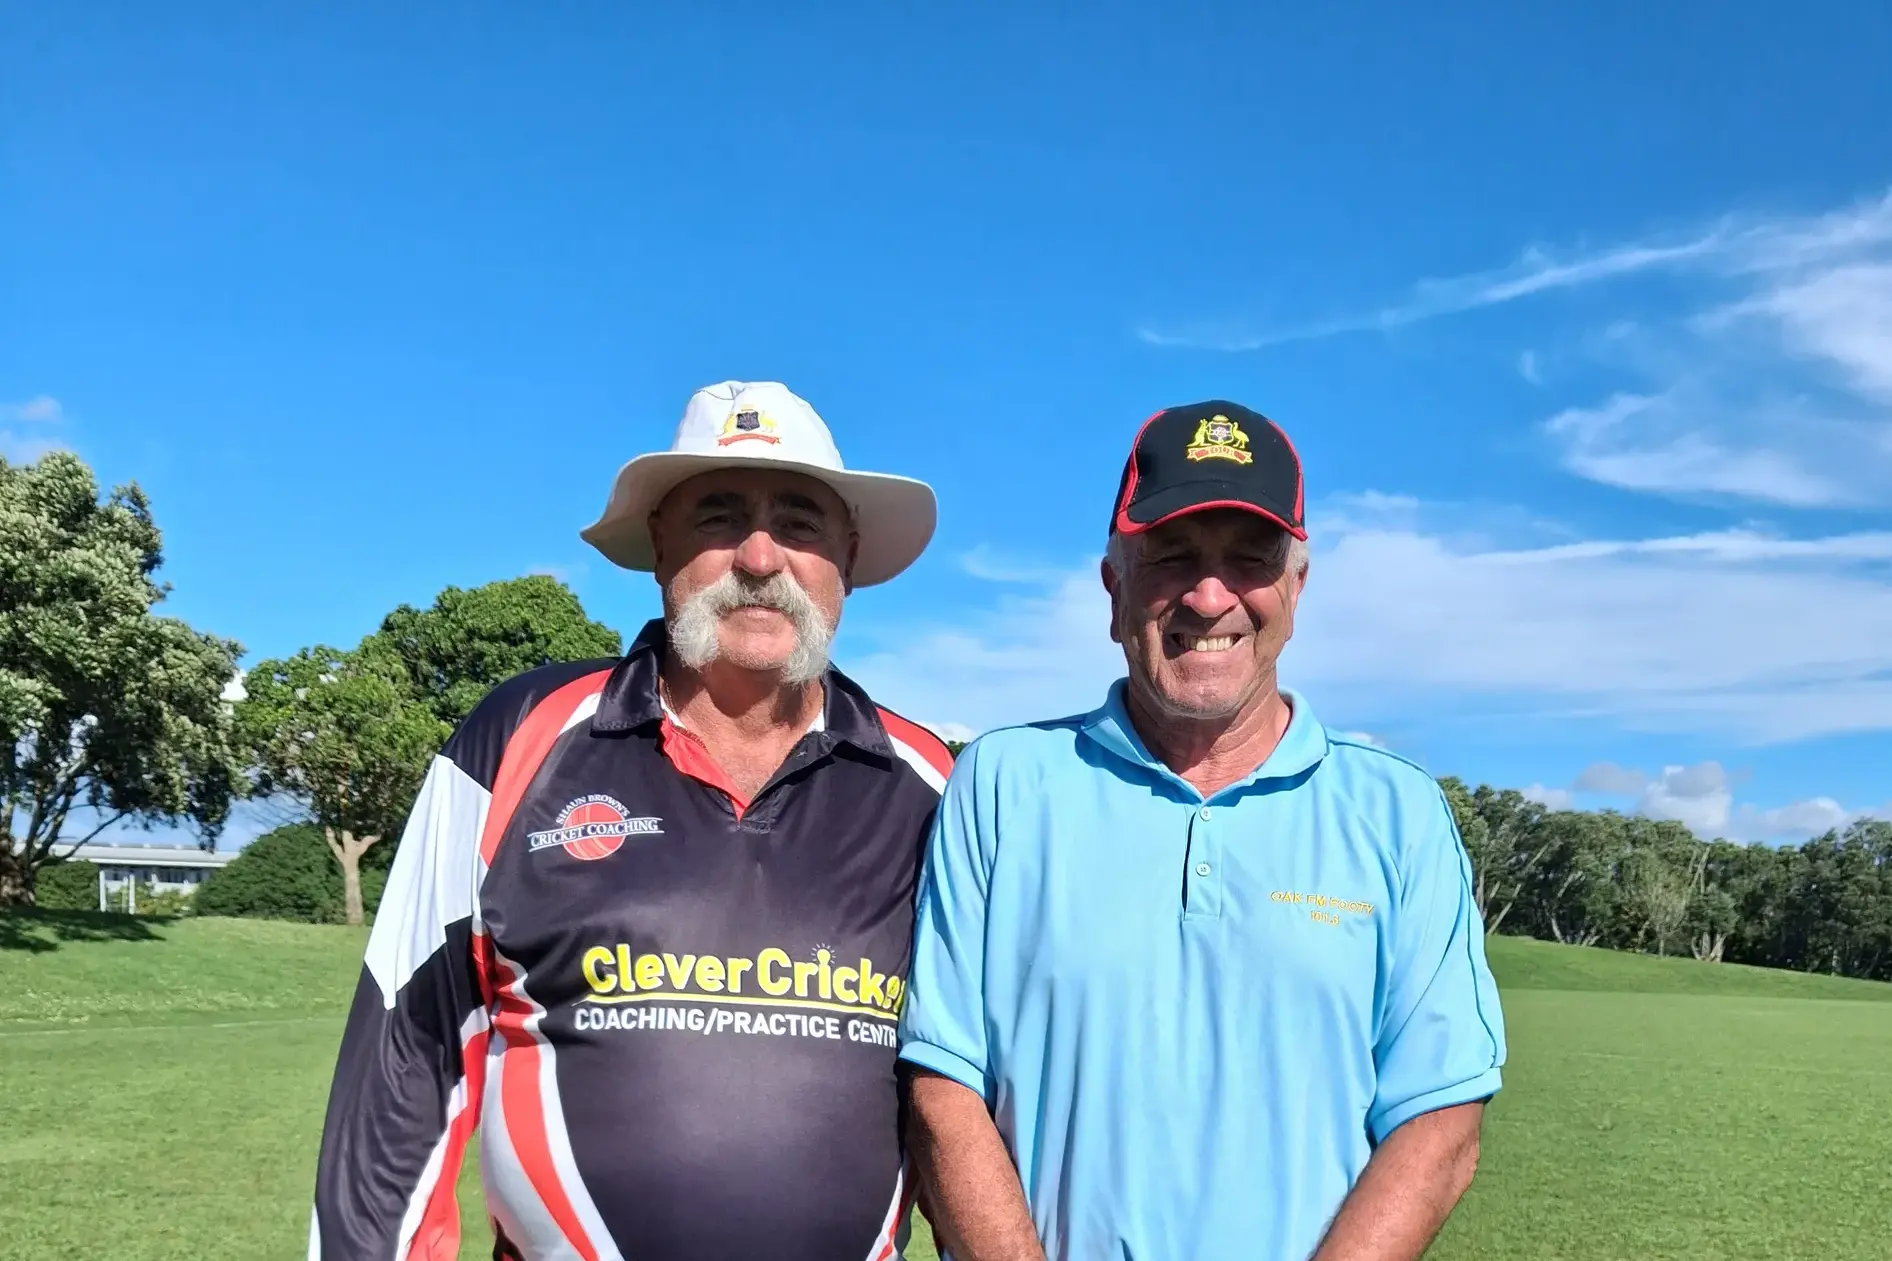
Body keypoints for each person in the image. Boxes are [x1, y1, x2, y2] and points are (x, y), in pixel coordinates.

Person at [309, 380, 956, 1261]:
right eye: (719, 516)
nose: (759, 556)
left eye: (799, 521)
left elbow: (974, 1099)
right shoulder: (517, 739)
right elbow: (404, 1063)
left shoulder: (932, 786)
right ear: (660, 544)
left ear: (846, 553)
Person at [897, 401, 1507, 1261]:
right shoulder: (1001, 784)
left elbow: (1440, 1118)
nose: (1210, 595)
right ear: (1114, 590)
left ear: (1296, 591)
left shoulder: (1399, 812)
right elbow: (941, 1083)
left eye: (1249, 559)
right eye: (1172, 555)